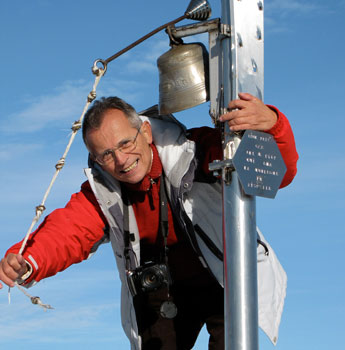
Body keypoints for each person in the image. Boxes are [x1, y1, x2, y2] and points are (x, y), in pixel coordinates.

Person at [0, 92, 298, 349]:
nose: (121, 160)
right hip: (162, 289)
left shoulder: (196, 151)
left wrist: (272, 124)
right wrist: (27, 260)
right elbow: (68, 231)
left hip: (224, 277)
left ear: (144, 131)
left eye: (125, 143)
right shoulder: (103, 191)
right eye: (106, 154)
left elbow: (274, 173)